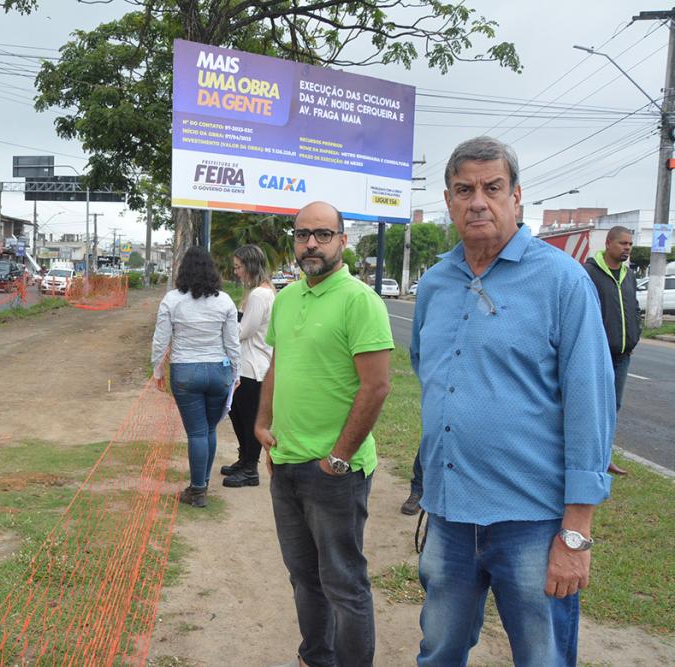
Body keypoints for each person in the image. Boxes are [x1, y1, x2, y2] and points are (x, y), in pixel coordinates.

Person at [411, 136, 615, 667]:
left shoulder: (562, 281)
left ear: (517, 197)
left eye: (492, 187)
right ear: (449, 200)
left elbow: (591, 406)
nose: (478, 201)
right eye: (463, 190)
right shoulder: (434, 282)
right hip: (450, 516)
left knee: (543, 658)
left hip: (533, 522)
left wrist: (576, 532)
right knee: (438, 651)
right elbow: (427, 372)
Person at [255, 201, 393, 667]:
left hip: (335, 473)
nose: (310, 243)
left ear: (342, 241)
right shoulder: (287, 297)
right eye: (301, 234)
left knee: (344, 585)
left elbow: (376, 387)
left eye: (322, 234)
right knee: (303, 577)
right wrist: (262, 423)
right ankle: (316, 657)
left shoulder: (360, 301)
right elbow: (278, 364)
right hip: (287, 464)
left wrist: (338, 458)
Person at [151, 245, 240, 508]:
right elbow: (232, 342)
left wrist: (157, 369)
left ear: (183, 270)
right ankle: (202, 484)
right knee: (208, 429)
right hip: (218, 371)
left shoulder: (172, 300)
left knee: (197, 433)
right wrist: (237, 372)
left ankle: (198, 489)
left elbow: (160, 340)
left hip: (185, 372)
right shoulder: (225, 301)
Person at [584, 225, 641, 477]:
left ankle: (605, 458)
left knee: (613, 407)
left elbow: (634, 309)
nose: (627, 248)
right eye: (622, 243)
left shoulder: (628, 276)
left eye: (629, 244)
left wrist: (634, 336)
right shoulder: (589, 274)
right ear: (608, 244)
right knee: (591, 407)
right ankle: (587, 460)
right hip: (597, 355)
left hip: (622, 356)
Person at [221, 244, 276, 488]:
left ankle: (250, 468)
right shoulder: (260, 292)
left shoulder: (258, 295)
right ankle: (244, 460)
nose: (236, 272)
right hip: (248, 365)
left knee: (249, 418)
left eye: (239, 267)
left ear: (250, 266)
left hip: (253, 368)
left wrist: (222, 330)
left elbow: (244, 331)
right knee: (238, 415)